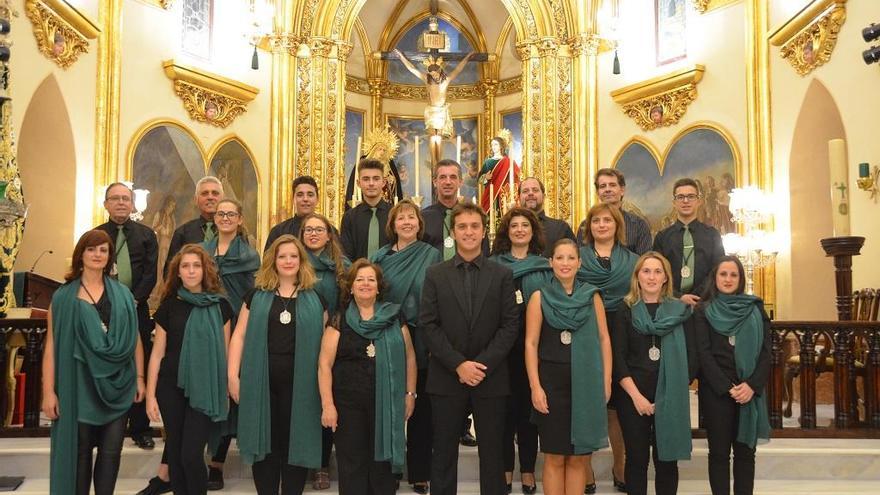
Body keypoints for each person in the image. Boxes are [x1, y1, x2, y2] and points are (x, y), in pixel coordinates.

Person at [420, 201, 519, 495]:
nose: (469, 232)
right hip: (447, 376)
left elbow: (509, 326)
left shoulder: (502, 274)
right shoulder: (435, 274)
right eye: (462, 226)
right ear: (453, 232)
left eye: (475, 226)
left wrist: (481, 366)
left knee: (492, 454)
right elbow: (429, 325)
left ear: (483, 230)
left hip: (491, 377)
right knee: (444, 454)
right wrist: (458, 364)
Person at [42, 229, 144, 495]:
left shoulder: (123, 295)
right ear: (81, 254)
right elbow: (52, 347)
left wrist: (140, 379)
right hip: (79, 385)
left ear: (110, 256)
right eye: (91, 249)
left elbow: (135, 340)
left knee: (111, 453)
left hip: (119, 383)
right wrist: (48, 392)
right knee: (81, 453)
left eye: (103, 250)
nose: (97, 254)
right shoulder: (63, 298)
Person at [228, 235, 328, 495]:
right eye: (282, 256)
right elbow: (238, 335)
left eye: (293, 256)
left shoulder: (316, 298)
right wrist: (232, 375)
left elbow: (327, 348)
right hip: (260, 381)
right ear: (273, 260)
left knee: (294, 442)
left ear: (301, 261)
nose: (288, 261)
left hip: (302, 385)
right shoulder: (256, 295)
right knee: (265, 444)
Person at [318, 260, 417, 494]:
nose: (365, 284)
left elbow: (409, 357)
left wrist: (410, 394)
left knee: (382, 466)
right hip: (347, 403)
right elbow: (324, 364)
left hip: (386, 402)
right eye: (359, 279)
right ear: (350, 287)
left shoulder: (394, 316)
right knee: (352, 463)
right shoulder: (339, 319)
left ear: (378, 286)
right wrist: (327, 405)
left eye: (371, 279)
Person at [525, 239, 612, 495]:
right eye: (559, 258)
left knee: (577, 458)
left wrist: (605, 381)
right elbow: (530, 344)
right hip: (551, 386)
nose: (565, 263)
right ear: (550, 262)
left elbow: (604, 339)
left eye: (570, 258)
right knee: (554, 456)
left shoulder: (592, 296)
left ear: (579, 262)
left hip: (585, 384)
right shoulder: (539, 297)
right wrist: (535, 387)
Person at [146, 244, 233, 495]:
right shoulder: (169, 307)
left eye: (197, 265)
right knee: (174, 452)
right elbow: (157, 354)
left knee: (191, 454)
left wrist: (225, 388)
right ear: (178, 273)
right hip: (170, 386)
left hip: (205, 387)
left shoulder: (221, 307)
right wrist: (151, 395)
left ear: (205, 271)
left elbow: (225, 354)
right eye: (186, 266)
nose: (192, 271)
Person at [370, 200, 441, 494]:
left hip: (423, 336)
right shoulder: (380, 257)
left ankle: (420, 472)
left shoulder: (432, 254)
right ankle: (391, 469)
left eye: (412, 217)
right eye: (402, 218)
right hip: (389, 334)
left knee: (421, 407)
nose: (407, 222)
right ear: (393, 224)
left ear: (419, 223)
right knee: (389, 404)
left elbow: (437, 295)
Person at [612, 252, 697, 495]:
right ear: (637, 277)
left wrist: (673, 391)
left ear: (666, 278)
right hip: (632, 396)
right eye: (646, 271)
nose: (651, 277)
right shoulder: (625, 309)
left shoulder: (680, 310)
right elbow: (618, 357)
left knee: (667, 461)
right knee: (637, 460)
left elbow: (692, 355)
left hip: (670, 396)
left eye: (657, 272)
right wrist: (637, 397)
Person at [419, 160, 485, 446]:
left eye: (452, 177)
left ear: (460, 181)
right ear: (435, 182)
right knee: (441, 358)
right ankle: (441, 422)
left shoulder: (471, 214)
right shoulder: (425, 217)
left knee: (469, 354)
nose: (447, 182)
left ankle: (463, 424)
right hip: (437, 294)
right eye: (442, 177)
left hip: (470, 294)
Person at [576, 203, 639, 493]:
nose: (602, 225)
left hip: (624, 332)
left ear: (617, 225)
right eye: (596, 221)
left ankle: (620, 464)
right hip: (586, 330)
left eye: (607, 220)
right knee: (589, 402)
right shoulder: (578, 258)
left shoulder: (633, 260)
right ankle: (585, 469)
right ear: (589, 227)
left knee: (618, 405)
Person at [489, 207, 553, 494]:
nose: (519, 230)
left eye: (524, 225)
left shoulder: (545, 266)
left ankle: (527, 470)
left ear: (532, 231)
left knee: (529, 413)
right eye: (513, 225)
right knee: (503, 413)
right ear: (506, 231)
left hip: (534, 349)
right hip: (501, 350)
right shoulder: (493, 265)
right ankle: (504, 469)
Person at [695, 256, 771, 495]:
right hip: (717, 392)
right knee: (718, 454)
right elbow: (703, 354)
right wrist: (727, 387)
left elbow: (766, 352)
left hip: (749, 391)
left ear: (740, 279)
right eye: (723, 274)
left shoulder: (755, 308)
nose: (728, 279)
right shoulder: (703, 310)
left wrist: (751, 385)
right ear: (714, 278)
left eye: (733, 275)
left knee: (745, 453)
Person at [202, 198, 260, 489]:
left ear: (239, 219)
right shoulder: (201, 253)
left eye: (231, 214)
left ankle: (217, 463)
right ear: (215, 219)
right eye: (221, 214)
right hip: (204, 330)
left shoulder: (250, 256)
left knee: (229, 394)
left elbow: (254, 297)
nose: (225, 218)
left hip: (238, 329)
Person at [96, 183, 158, 451]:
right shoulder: (95, 236)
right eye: (115, 198)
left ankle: (140, 428)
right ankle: (104, 422)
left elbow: (150, 273)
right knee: (105, 364)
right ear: (106, 203)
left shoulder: (146, 235)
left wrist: (131, 300)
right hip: (102, 310)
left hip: (136, 308)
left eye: (126, 198)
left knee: (138, 366)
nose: (121, 203)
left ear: (132, 204)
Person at [298, 212, 350, 489]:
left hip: (333, 342)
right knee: (303, 401)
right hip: (298, 342)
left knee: (326, 401)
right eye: (308, 230)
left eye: (319, 229)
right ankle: (300, 459)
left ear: (329, 235)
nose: (314, 234)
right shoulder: (294, 262)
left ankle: (321, 463)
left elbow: (353, 302)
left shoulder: (342, 266)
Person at [652, 178, 725, 307]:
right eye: (680, 197)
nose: (685, 201)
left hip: (705, 305)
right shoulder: (662, 237)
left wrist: (697, 297)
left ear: (699, 201)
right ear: (674, 202)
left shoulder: (712, 235)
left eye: (691, 196)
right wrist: (679, 297)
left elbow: (717, 271)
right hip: (670, 305)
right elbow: (657, 273)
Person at [394, 48, 475, 140]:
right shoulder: (427, 80)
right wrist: (401, 57)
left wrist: (467, 58)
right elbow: (412, 69)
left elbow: (458, 69)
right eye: (432, 74)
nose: (434, 76)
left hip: (441, 110)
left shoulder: (446, 81)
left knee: (440, 135)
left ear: (439, 71)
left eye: (435, 74)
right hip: (431, 111)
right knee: (432, 135)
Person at [576, 168, 652, 256]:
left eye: (612, 185)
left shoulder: (638, 225)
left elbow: (644, 262)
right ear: (597, 192)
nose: (607, 189)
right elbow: (579, 260)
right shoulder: (586, 226)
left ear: (622, 190)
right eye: (603, 186)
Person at [164, 176, 224, 273]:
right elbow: (170, 272)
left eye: (215, 193)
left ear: (222, 199)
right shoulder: (182, 233)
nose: (210, 197)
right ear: (196, 200)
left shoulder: (234, 232)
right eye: (205, 193)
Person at [265, 176, 338, 252]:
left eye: (310, 195)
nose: (305, 199)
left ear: (317, 199)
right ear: (293, 199)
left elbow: (338, 259)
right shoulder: (278, 232)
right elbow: (268, 262)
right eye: (300, 195)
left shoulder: (330, 231)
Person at [340, 159, 392, 260]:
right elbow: (346, 255)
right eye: (366, 179)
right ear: (358, 183)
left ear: (384, 182)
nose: (371, 183)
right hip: (358, 274)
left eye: (376, 179)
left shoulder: (394, 214)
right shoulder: (350, 217)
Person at [344, 126, 404, 208]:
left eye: (384, 150)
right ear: (374, 150)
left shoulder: (390, 166)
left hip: (386, 204)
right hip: (365, 203)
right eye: (380, 149)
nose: (382, 152)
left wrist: (391, 181)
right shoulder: (363, 164)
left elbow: (395, 188)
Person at [518, 177, 575, 257]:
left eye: (535, 190)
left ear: (544, 196)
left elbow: (573, 258)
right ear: (519, 198)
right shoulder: (511, 229)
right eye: (525, 191)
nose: (530, 193)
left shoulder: (560, 228)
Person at [478, 134, 520, 217]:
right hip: (491, 193)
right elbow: (479, 179)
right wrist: (485, 177)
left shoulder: (509, 161)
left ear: (501, 146)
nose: (493, 147)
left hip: (504, 194)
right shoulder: (488, 162)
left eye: (496, 144)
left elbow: (517, 177)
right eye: (492, 145)